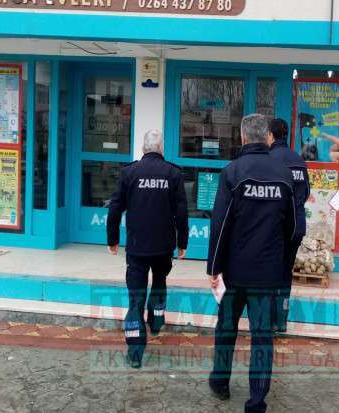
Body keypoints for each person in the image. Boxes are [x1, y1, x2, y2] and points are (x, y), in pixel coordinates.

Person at [207, 114, 296, 413]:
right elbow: (293, 228)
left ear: (243, 137)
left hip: (235, 271)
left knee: (226, 328)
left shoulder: (232, 172)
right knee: (262, 336)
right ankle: (257, 401)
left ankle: (220, 382)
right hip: (267, 273)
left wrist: (214, 268)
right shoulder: (284, 174)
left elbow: (220, 225)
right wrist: (281, 262)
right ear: (267, 137)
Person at [107, 129, 189, 369]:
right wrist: (183, 242)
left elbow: (114, 208)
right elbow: (182, 212)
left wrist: (112, 239)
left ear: (143, 148)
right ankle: (156, 321)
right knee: (160, 283)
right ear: (161, 148)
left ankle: (135, 352)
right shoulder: (173, 173)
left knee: (135, 300)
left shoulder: (129, 173)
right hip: (163, 247)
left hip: (137, 247)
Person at [267, 118, 310, 333]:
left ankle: (269, 320)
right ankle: (282, 320)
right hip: (296, 226)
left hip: (274, 227)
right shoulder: (298, 160)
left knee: (269, 273)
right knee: (286, 272)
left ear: (270, 135)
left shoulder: (269, 159)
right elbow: (306, 192)